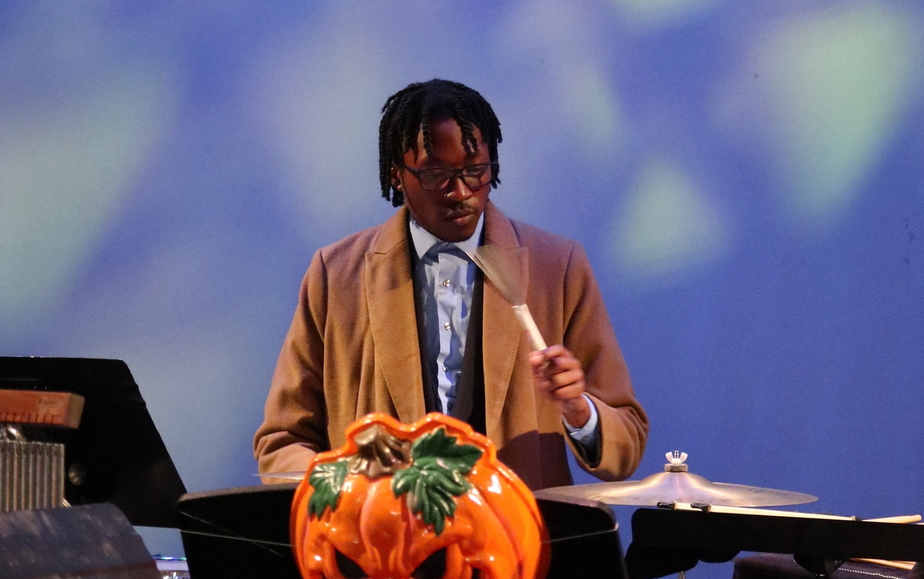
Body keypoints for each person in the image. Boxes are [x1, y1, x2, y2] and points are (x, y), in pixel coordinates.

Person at [254, 79, 647, 490]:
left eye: (475, 171)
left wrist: (579, 411)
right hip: (382, 546)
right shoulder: (336, 275)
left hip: (521, 546)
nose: (460, 192)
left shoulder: (558, 266)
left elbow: (627, 442)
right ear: (397, 175)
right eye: (435, 175)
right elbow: (282, 442)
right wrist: (347, 485)